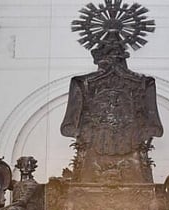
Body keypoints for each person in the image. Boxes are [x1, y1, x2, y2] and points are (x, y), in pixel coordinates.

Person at [60, 42, 163, 184]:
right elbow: (68, 128)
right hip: (97, 151)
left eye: (116, 55)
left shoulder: (143, 83)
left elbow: (155, 128)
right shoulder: (81, 83)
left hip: (128, 151)